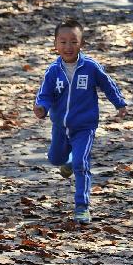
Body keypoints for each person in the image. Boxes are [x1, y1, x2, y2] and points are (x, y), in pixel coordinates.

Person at [33, 17, 127, 224]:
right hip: (60, 126)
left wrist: (119, 103)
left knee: (81, 164)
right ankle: (66, 161)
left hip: (84, 126)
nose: (68, 46)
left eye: (74, 41)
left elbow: (108, 85)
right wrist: (41, 108)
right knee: (56, 159)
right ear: (55, 44)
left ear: (82, 44)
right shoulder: (53, 71)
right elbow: (45, 94)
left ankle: (82, 207)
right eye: (63, 42)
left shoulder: (91, 67)